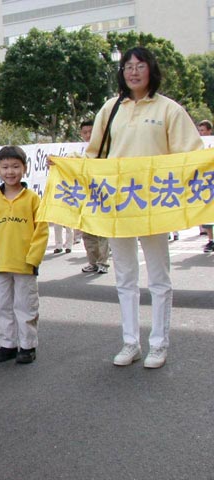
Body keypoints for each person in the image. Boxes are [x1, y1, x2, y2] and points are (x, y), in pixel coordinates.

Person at [77, 47, 201, 368]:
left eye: (140, 65)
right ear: (122, 72)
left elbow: (191, 154)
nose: (133, 71)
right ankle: (130, 342)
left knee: (158, 278)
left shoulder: (168, 109)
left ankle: (158, 344)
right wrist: (71, 170)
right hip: (118, 204)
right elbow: (94, 155)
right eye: (128, 66)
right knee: (125, 278)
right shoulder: (111, 109)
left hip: (154, 205)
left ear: (151, 70)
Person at [0, 146, 49, 364]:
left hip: (24, 263)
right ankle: (8, 344)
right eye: (5, 167)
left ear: (25, 168)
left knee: (26, 306)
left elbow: (41, 231)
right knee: (3, 306)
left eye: (15, 166)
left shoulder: (33, 199)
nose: (10, 171)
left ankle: (28, 345)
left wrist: (33, 259)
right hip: (0, 263)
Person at [78, 119, 110, 274]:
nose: (88, 135)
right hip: (86, 197)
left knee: (102, 232)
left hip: (103, 195)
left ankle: (103, 262)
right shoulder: (79, 152)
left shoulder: (105, 149)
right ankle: (93, 262)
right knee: (88, 233)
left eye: (91, 131)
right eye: (85, 132)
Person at [197, 120, 214, 244]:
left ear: (209, 130)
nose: (201, 133)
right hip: (206, 180)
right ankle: (210, 239)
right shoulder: (199, 144)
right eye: (200, 131)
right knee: (206, 208)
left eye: (203, 130)